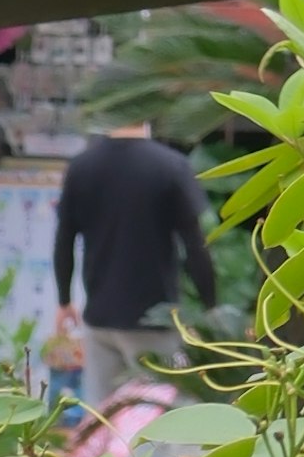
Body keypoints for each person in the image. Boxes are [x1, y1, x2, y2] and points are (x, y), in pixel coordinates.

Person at [49, 110, 216, 402]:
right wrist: (210, 306)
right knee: (161, 416)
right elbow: (195, 245)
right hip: (154, 318)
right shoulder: (170, 165)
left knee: (103, 418)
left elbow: (64, 240)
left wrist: (64, 301)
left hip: (99, 318)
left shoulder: (81, 167)